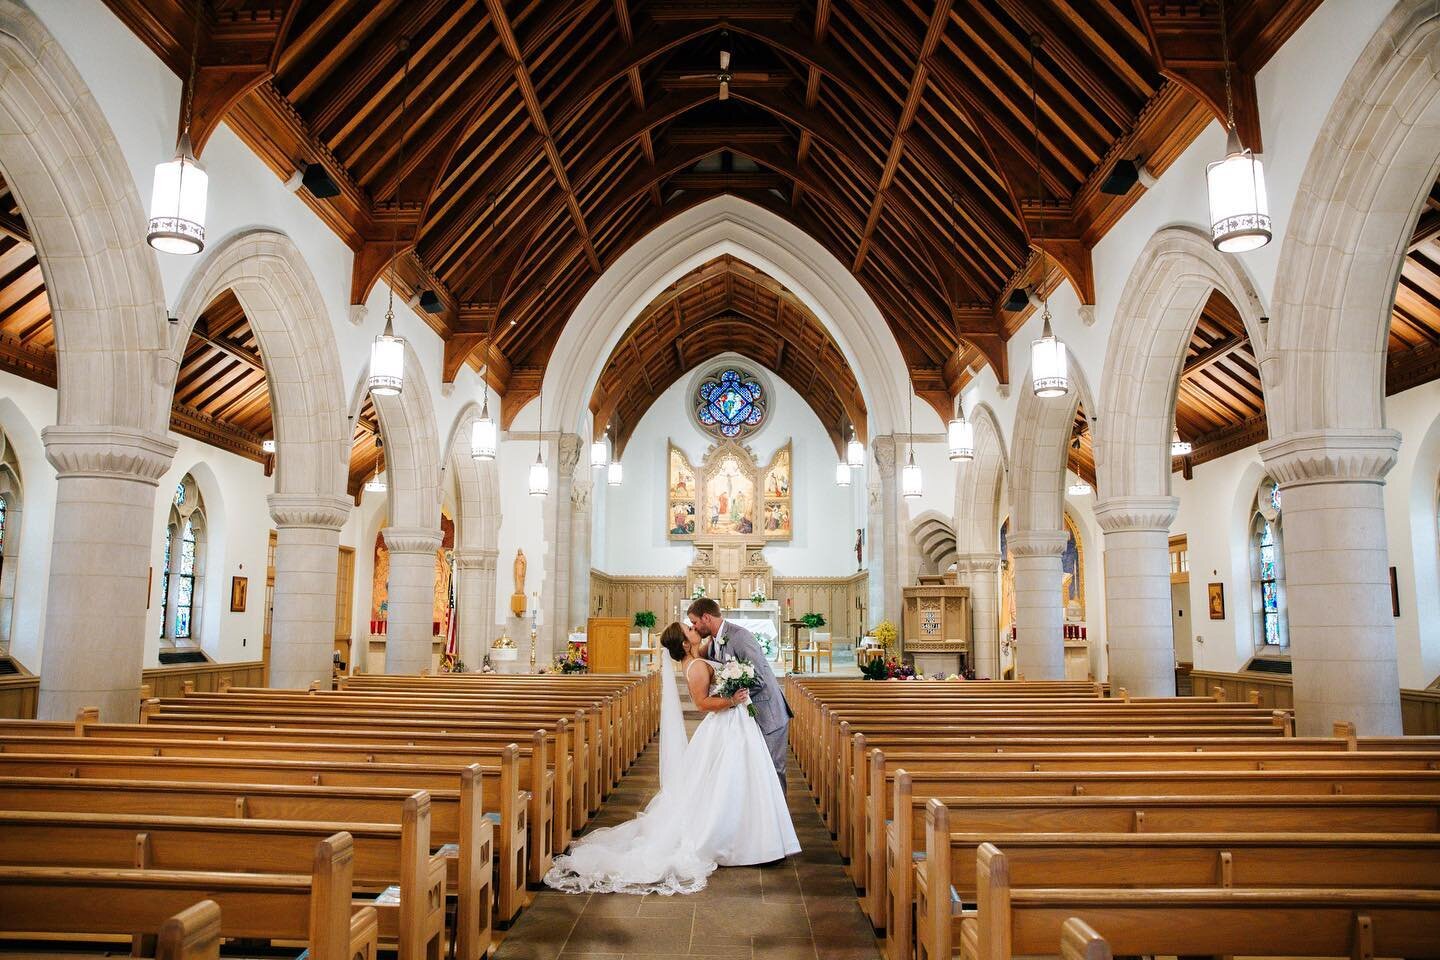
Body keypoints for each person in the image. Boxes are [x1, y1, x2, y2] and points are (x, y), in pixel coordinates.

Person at [543, 621, 800, 895]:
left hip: (731, 727)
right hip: (725, 724)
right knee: (728, 781)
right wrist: (733, 700)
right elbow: (702, 705)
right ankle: (739, 837)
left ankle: (748, 834)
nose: (694, 629)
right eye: (689, 629)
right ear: (685, 643)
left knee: (730, 781)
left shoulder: (699, 659)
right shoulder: (698, 667)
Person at [686, 596, 791, 788]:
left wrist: (729, 696)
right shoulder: (713, 642)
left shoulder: (740, 636)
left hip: (767, 713)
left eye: (694, 622)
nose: (693, 627)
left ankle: (778, 818)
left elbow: (758, 678)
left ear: (706, 618)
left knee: (773, 772)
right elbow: (697, 662)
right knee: (753, 775)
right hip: (744, 715)